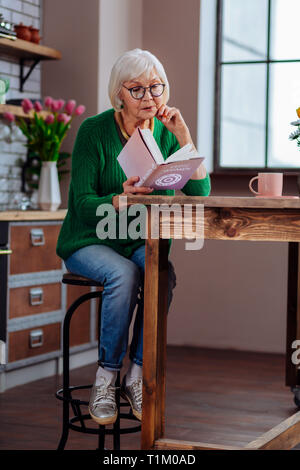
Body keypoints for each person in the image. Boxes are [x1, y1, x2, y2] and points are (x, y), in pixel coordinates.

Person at [56, 48, 211, 425]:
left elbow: (199, 192)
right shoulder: (95, 130)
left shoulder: (167, 132)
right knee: (123, 274)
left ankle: (137, 374)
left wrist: (184, 136)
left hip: (140, 242)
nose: (149, 97)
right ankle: (106, 377)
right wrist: (119, 198)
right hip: (88, 239)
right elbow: (80, 203)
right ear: (119, 94)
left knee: (162, 274)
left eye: (156, 87)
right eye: (137, 89)